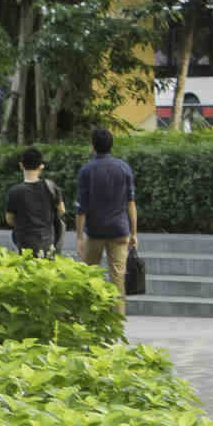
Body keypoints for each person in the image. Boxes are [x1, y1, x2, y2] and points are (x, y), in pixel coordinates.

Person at [75, 125, 138, 316]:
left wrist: (79, 237)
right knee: (117, 278)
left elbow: (81, 209)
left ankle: (90, 317)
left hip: (94, 232)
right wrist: (134, 233)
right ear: (111, 145)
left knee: (89, 276)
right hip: (120, 230)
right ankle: (117, 322)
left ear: (93, 146)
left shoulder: (86, 170)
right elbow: (131, 204)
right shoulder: (123, 168)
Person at [3, 146, 68, 256]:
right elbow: (61, 210)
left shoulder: (14, 192)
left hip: (25, 244)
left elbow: (9, 220)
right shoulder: (51, 187)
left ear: (21, 165)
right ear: (41, 166)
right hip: (48, 242)